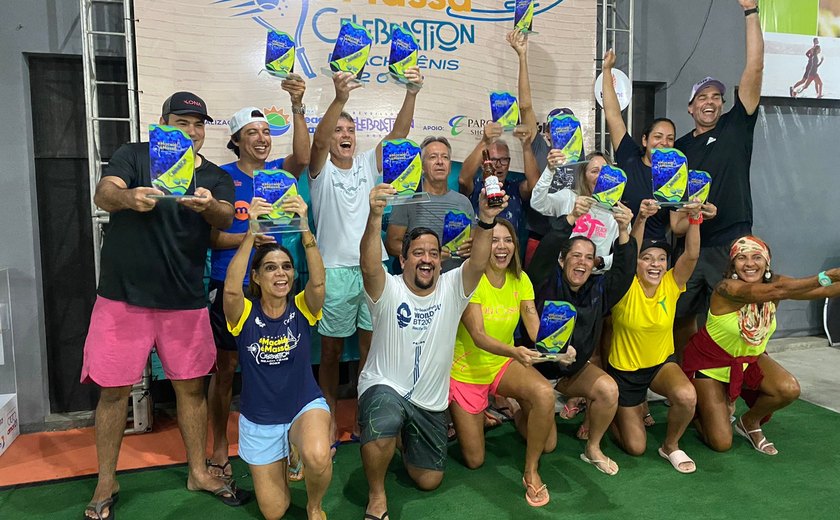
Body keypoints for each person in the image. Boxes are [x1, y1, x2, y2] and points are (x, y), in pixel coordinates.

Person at [81, 92, 245, 520]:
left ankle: (196, 471)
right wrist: (128, 198)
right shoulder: (134, 156)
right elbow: (104, 192)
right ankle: (106, 480)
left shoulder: (209, 174)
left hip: (183, 300)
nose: (191, 131)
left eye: (198, 123)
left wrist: (210, 206)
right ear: (162, 122)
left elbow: (226, 216)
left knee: (191, 387)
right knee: (114, 391)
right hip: (122, 297)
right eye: (182, 122)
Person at [358, 184, 506, 520]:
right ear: (403, 258)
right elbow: (368, 267)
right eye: (419, 252)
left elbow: (478, 264)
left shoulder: (454, 288)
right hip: (385, 386)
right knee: (385, 418)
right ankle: (377, 496)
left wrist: (484, 220)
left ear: (441, 259)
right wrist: (375, 216)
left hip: (430, 401)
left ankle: (404, 437)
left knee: (429, 480)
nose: (427, 259)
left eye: (433, 253)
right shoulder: (388, 288)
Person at [308, 68, 424, 446]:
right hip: (334, 273)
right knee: (329, 352)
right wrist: (339, 99)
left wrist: (411, 91)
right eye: (338, 130)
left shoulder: (365, 167)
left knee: (369, 349)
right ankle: (326, 415)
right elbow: (317, 143)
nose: (344, 136)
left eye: (350, 130)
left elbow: (398, 136)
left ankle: (363, 412)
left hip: (371, 270)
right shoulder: (320, 170)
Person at [206, 76, 310, 482]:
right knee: (227, 368)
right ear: (236, 139)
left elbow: (302, 155)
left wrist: (297, 105)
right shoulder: (220, 178)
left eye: (267, 131)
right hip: (230, 281)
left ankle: (287, 442)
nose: (262, 138)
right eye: (253, 132)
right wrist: (249, 236)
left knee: (283, 361)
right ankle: (218, 447)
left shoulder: (280, 175)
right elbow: (211, 237)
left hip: (277, 281)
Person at [449, 218, 575, 507]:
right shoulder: (470, 277)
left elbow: (534, 328)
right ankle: (481, 410)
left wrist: (558, 350)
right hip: (466, 371)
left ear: (515, 246)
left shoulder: (522, 279)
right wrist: (516, 351)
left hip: (501, 366)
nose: (502, 247)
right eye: (494, 240)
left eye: (507, 240)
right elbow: (478, 336)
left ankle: (530, 470)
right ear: (482, 245)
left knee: (548, 430)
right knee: (475, 460)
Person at [223, 194, 330, 520]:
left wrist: (306, 230)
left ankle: (314, 506)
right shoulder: (243, 314)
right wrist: (252, 233)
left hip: (302, 405)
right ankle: (286, 455)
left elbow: (319, 281)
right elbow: (229, 289)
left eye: (286, 267)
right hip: (260, 420)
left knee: (317, 454)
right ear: (256, 277)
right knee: (274, 511)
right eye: (270, 268)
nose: (280, 274)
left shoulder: (302, 307)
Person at [683, 237, 840, 455]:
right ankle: (698, 410)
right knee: (721, 443)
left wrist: (832, 282)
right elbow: (776, 292)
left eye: (757, 257)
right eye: (741, 258)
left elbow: (824, 291)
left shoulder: (776, 285)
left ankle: (749, 422)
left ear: (767, 263)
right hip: (709, 364)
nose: (749, 263)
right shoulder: (726, 288)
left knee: (788, 388)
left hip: (749, 360)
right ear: (732, 265)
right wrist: (827, 276)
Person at [674, 0, 764, 351]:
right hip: (691, 246)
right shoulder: (678, 149)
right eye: (702, 97)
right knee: (680, 317)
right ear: (690, 107)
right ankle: (688, 386)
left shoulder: (736, 126)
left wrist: (751, 12)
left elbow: (754, 69)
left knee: (737, 321)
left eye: (716, 96)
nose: (710, 102)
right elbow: (674, 203)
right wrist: (691, 216)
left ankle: (735, 393)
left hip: (732, 242)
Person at [526, 202, 637, 476]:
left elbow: (624, 272)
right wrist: (571, 218)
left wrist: (623, 229)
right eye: (575, 255)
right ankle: (521, 406)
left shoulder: (598, 288)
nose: (582, 262)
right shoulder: (542, 279)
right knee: (548, 445)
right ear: (562, 260)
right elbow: (549, 247)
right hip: (534, 371)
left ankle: (594, 447)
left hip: (571, 372)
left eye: (589, 257)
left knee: (608, 390)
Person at [606, 199, 702, 474]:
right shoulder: (626, 286)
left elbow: (692, 255)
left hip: (660, 365)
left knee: (686, 396)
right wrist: (641, 219)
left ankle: (670, 445)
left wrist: (695, 218)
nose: (655, 264)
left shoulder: (671, 283)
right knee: (635, 447)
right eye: (647, 258)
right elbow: (627, 253)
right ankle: (612, 412)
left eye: (661, 258)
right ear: (635, 262)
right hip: (625, 373)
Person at [601, 49, 715, 243]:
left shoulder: (676, 175)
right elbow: (613, 115)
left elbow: (678, 228)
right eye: (658, 137)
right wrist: (606, 70)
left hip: (656, 253)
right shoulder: (629, 156)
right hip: (623, 245)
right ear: (645, 140)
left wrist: (699, 214)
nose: (664, 143)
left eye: (670, 139)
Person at [385, 136, 474, 273]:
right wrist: (430, 254)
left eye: (445, 157)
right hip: (417, 283)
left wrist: (471, 248)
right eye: (433, 157)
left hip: (455, 283)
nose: (440, 162)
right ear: (421, 166)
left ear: (450, 166)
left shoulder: (463, 203)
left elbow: (473, 245)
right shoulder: (407, 200)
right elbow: (392, 245)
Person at [531, 151, 621, 273]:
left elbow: (624, 255)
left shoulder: (616, 212)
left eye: (605, 172)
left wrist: (601, 261)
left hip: (594, 279)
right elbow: (537, 203)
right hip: (561, 276)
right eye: (594, 171)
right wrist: (550, 170)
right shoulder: (569, 197)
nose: (600, 177)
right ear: (584, 176)